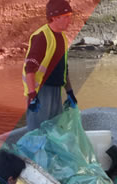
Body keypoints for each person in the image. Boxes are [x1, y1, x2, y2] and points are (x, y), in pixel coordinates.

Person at [22, 0, 78, 131]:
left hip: (55, 89)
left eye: (70, 16)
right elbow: (30, 68)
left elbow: (64, 68)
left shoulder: (63, 38)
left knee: (54, 129)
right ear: (54, 18)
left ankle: (50, 151)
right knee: (38, 130)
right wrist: (32, 95)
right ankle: (35, 151)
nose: (70, 20)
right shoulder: (42, 37)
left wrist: (69, 91)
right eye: (66, 17)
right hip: (41, 91)